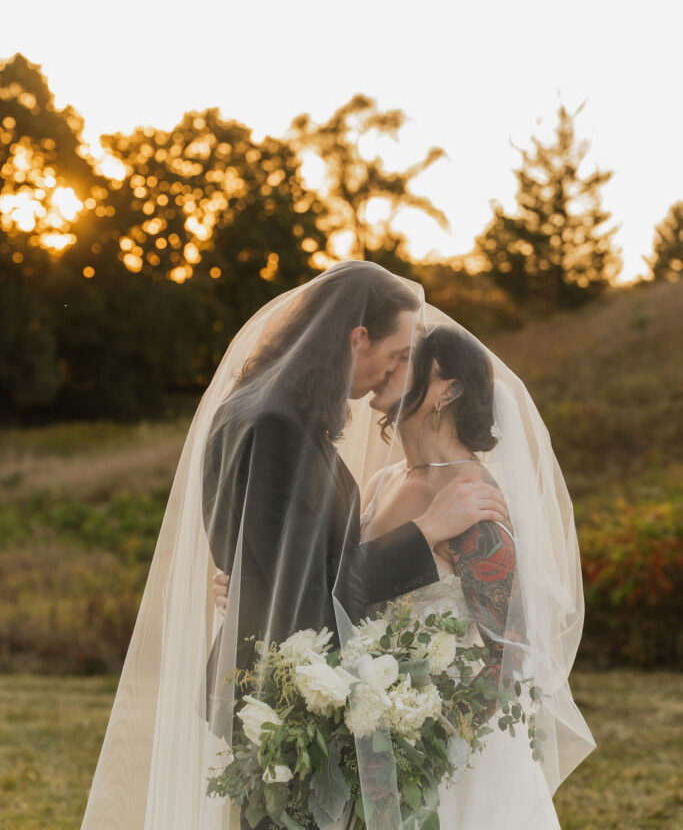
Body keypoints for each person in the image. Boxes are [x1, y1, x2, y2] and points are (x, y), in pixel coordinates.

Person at [79, 261, 509, 830]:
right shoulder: (277, 425)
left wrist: (253, 582)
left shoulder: (272, 412)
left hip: (311, 698)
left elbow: (288, 562)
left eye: (410, 362)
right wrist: (426, 532)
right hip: (293, 699)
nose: (394, 370)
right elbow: (310, 587)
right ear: (358, 338)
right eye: (399, 352)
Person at [213, 302, 595, 829]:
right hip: (360, 737)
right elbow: (330, 578)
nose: (388, 368)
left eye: (408, 360)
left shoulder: (472, 499)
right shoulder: (381, 484)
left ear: (448, 389)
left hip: (444, 760)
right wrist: (259, 583)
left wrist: (423, 746)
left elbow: (510, 654)